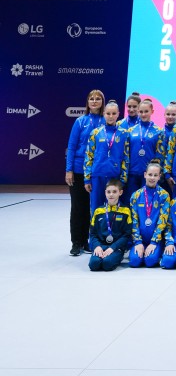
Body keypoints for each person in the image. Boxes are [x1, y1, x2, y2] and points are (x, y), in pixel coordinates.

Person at [65, 88, 105, 256]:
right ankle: (76, 242)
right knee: (78, 207)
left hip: (97, 171)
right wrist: (69, 170)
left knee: (94, 207)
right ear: (87, 102)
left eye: (98, 99)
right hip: (79, 170)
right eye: (91, 99)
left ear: (102, 102)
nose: (94, 101)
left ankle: (89, 240)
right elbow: (72, 146)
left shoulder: (106, 121)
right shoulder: (80, 122)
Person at [83, 100, 130, 213]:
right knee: (96, 208)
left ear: (118, 114)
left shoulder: (124, 134)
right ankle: (94, 226)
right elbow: (89, 155)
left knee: (114, 209)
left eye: (114, 113)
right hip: (97, 176)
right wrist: (87, 179)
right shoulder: (95, 132)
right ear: (104, 113)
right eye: (108, 113)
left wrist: (123, 179)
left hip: (115, 177)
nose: (111, 116)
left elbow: (126, 157)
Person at [128, 160, 170, 268]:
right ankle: (141, 250)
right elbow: (134, 221)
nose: (152, 178)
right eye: (150, 174)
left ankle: (157, 251)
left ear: (159, 176)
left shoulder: (164, 195)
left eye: (155, 175)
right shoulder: (136, 195)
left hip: (156, 240)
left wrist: (154, 242)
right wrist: (138, 242)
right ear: (145, 174)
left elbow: (162, 221)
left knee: (150, 261)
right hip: (140, 239)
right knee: (134, 262)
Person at [88, 178, 132, 272]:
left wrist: (113, 247)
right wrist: (97, 246)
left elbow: (126, 234)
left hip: (116, 247)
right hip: (101, 245)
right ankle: (101, 253)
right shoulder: (98, 211)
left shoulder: (126, 211)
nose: (111, 194)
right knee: (94, 265)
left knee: (107, 264)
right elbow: (93, 233)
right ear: (105, 193)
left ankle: (118, 256)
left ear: (120, 192)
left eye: (114, 192)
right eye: (108, 192)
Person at [126, 98, 164, 198]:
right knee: (131, 200)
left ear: (152, 111)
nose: (143, 114)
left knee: (147, 200)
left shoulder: (159, 131)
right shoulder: (130, 131)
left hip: (149, 175)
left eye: (146, 111)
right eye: (141, 112)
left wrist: (155, 173)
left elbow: (159, 155)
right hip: (132, 173)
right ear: (138, 111)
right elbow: (126, 153)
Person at [160, 100, 176, 197]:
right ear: (164, 114)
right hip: (160, 174)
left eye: (173, 114)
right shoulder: (159, 132)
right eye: (168, 114)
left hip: (175, 173)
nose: (170, 117)